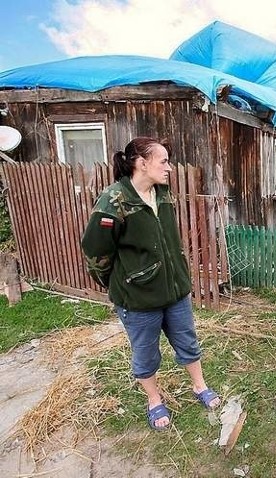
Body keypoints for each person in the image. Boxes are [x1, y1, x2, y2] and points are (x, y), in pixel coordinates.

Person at [81, 137, 220, 431]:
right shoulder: (114, 200)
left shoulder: (162, 194)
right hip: (138, 299)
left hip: (175, 290)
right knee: (145, 352)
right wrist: (120, 283)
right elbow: (95, 250)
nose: (168, 167)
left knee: (187, 341)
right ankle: (154, 400)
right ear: (142, 164)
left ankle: (199, 386)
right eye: (163, 161)